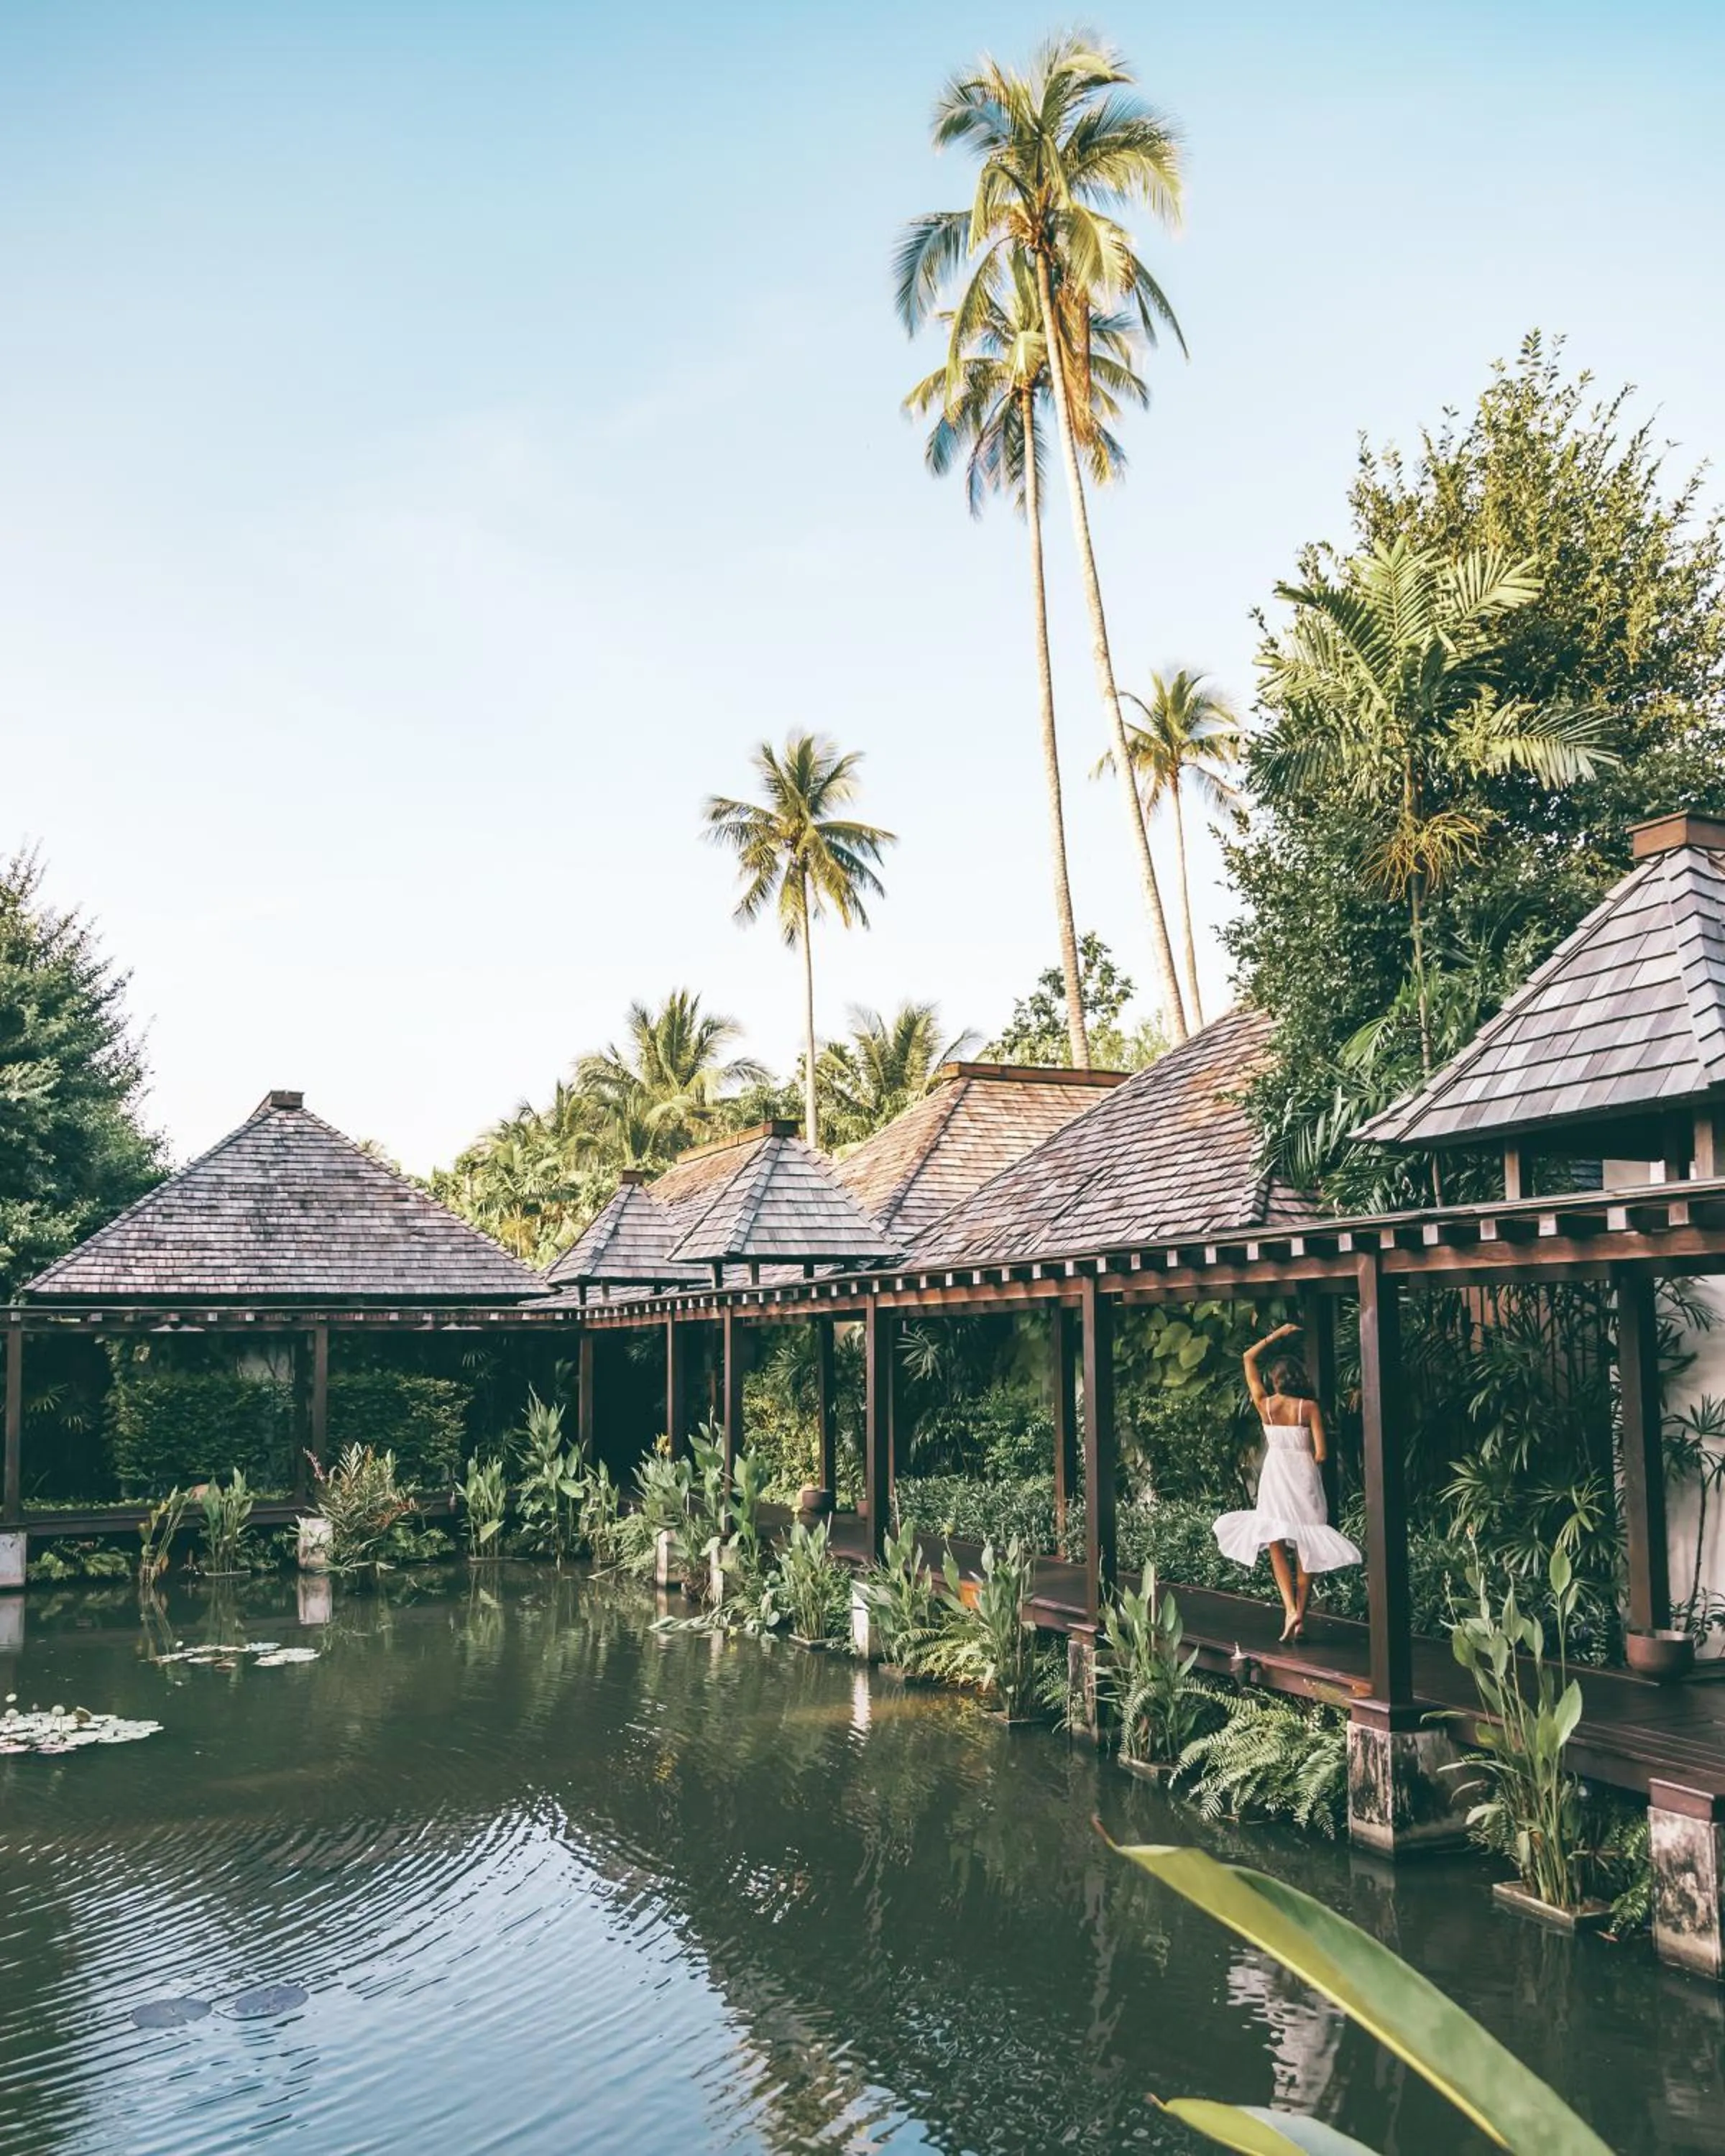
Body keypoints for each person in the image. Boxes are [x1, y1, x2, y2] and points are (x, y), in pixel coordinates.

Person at [1213, 1319, 1361, 1642]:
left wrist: (1276, 1335)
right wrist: (1306, 1453)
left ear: (1275, 1380)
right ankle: (1301, 1618)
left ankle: (1290, 1609)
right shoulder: (1309, 1408)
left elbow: (1247, 1358)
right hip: (1303, 1477)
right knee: (1308, 1542)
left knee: (1275, 1540)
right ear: (1298, 1378)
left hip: (1275, 1475)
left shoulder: (1264, 1405)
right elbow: (1321, 1453)